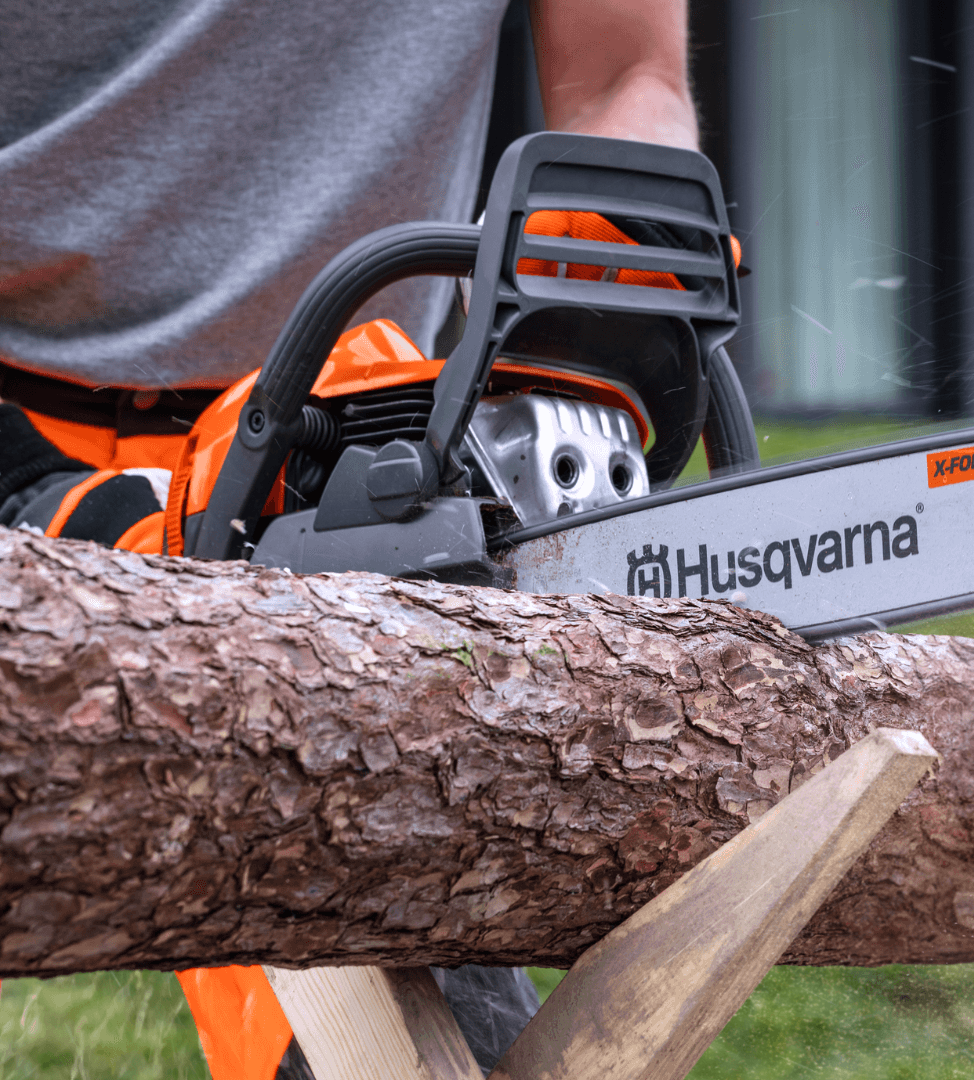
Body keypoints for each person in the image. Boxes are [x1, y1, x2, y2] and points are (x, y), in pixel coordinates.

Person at [0, 1, 702, 1076]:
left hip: (347, 428)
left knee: (421, 1034)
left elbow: (625, 78)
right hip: (22, 402)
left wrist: (612, 268)